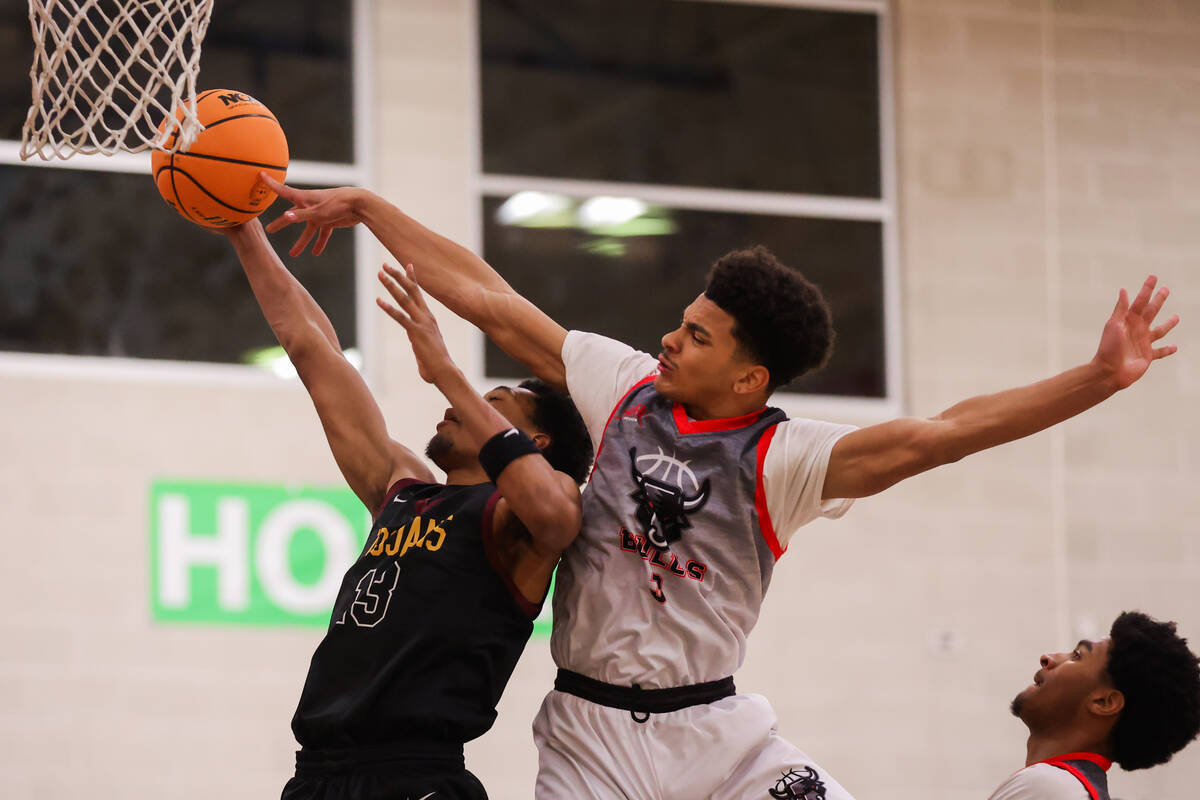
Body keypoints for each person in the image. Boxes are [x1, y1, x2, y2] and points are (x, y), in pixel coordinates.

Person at [257, 175, 1180, 799]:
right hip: (590, 738)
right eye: (682, 321)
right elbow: (492, 299)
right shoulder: (621, 389)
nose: (671, 339)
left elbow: (941, 435)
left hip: (722, 736)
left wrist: (1096, 380)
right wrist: (371, 207)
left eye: (699, 336)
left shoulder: (787, 459)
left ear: (750, 379)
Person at [223, 219, 593, 800]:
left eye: (489, 403)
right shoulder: (403, 488)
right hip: (318, 775)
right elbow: (311, 349)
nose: (454, 405)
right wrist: (241, 226)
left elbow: (557, 516)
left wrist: (446, 370)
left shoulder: (518, 516)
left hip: (416, 775)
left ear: (537, 444)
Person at [989, 611, 1200, 800]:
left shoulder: (1049, 788)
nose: (1048, 658)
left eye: (1077, 655)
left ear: (1104, 702)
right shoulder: (1064, 787)